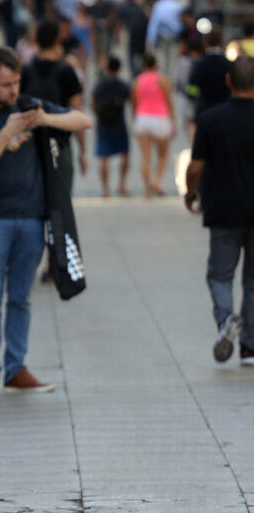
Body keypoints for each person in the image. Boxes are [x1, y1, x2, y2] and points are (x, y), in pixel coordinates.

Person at [0, 47, 92, 395]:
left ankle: (16, 367)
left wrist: (44, 119)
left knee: (21, 297)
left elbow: (83, 120)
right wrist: (6, 134)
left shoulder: (30, 107)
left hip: (31, 220)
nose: (13, 91)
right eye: (5, 85)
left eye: (16, 83)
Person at [185, 55, 254, 367]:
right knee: (253, 281)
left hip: (223, 209)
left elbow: (195, 166)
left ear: (229, 82)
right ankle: (249, 348)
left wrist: (190, 192)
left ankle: (226, 322)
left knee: (220, 275)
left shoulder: (211, 119)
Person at [21, 20, 87, 182]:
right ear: (57, 40)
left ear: (36, 40)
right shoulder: (66, 72)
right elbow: (77, 110)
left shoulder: (25, 71)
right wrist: (82, 150)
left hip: (30, 142)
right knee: (60, 195)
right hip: (59, 141)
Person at [131, 53, 176, 197]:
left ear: (143, 65)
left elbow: (134, 103)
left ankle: (147, 191)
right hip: (160, 118)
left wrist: (136, 117)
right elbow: (169, 102)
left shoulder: (137, 81)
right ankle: (156, 179)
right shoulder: (163, 80)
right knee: (163, 154)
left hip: (142, 118)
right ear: (156, 65)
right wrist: (173, 121)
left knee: (146, 157)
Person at [92, 56, 132, 196]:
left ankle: (105, 188)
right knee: (125, 154)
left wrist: (99, 113)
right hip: (119, 124)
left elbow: (93, 102)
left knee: (104, 157)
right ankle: (122, 183)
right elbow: (131, 100)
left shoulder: (100, 84)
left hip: (103, 124)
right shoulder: (122, 85)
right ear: (119, 68)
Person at [188, 30, 232, 128]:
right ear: (221, 42)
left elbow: (192, 88)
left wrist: (192, 101)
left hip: (204, 110)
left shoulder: (199, 64)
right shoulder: (228, 64)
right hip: (224, 111)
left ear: (205, 43)